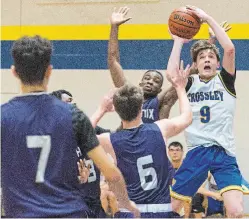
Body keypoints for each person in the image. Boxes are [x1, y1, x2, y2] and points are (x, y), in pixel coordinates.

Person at [1, 35, 139, 218]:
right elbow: (111, 173)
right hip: (69, 213)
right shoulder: (73, 115)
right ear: (49, 71)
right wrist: (126, 203)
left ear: (14, 72)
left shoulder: (4, 117)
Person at [167, 5, 244, 218]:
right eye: (202, 57)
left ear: (218, 64)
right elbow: (172, 74)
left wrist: (207, 18)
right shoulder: (189, 83)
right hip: (197, 150)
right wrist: (178, 41)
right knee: (173, 206)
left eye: (211, 56)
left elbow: (229, 49)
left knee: (236, 210)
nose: (207, 59)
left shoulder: (225, 80)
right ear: (196, 64)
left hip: (223, 152)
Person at [97, 59, 192, 217]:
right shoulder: (161, 128)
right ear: (141, 108)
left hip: (130, 211)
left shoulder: (111, 140)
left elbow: (79, 136)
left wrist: (100, 110)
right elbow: (187, 117)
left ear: (117, 111)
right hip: (160, 211)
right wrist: (181, 88)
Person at [108, 7, 180, 123]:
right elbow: (113, 61)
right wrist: (114, 27)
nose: (150, 81)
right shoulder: (130, 96)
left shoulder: (161, 101)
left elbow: (190, 74)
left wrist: (179, 42)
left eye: (156, 81)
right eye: (147, 78)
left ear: (159, 89)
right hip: (128, 140)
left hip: (152, 141)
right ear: (140, 83)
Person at [51, 89, 115, 218]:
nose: (73, 105)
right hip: (70, 203)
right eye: (68, 102)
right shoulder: (54, 133)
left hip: (95, 201)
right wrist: (101, 109)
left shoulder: (92, 129)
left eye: (73, 101)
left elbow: (118, 137)